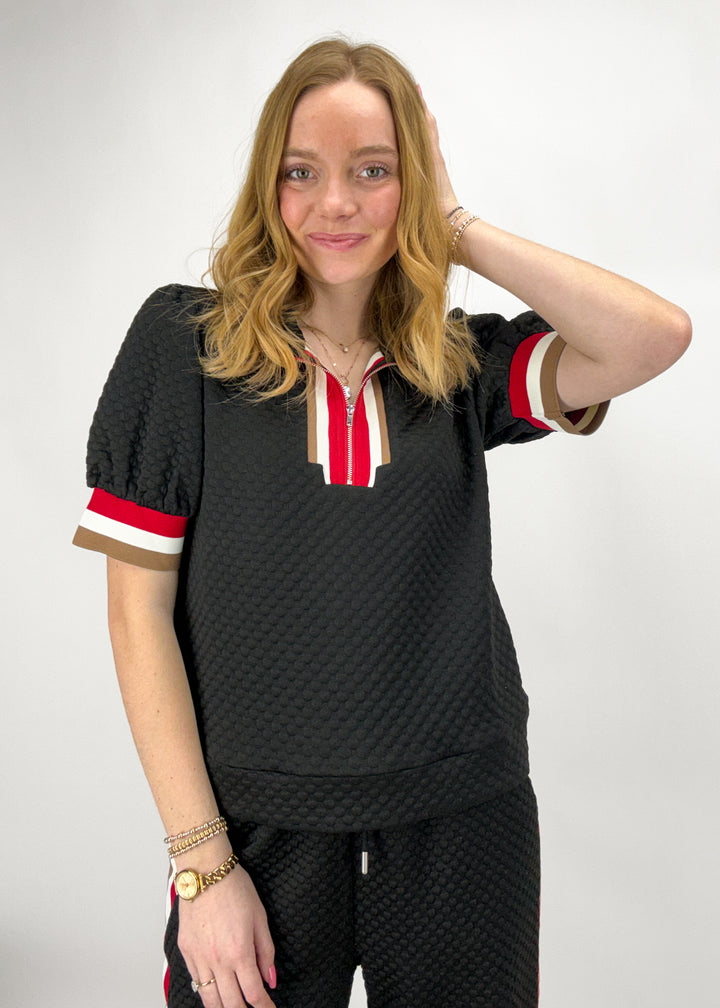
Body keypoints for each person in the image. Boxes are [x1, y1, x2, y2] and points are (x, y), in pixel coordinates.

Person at [73, 37, 690, 1008]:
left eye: (374, 170)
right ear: (267, 184)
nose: (336, 203)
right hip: (255, 835)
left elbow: (654, 336)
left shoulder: (459, 365)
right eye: (301, 172)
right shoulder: (185, 350)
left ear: (415, 182)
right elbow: (134, 614)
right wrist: (201, 865)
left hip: (464, 820)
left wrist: (456, 226)